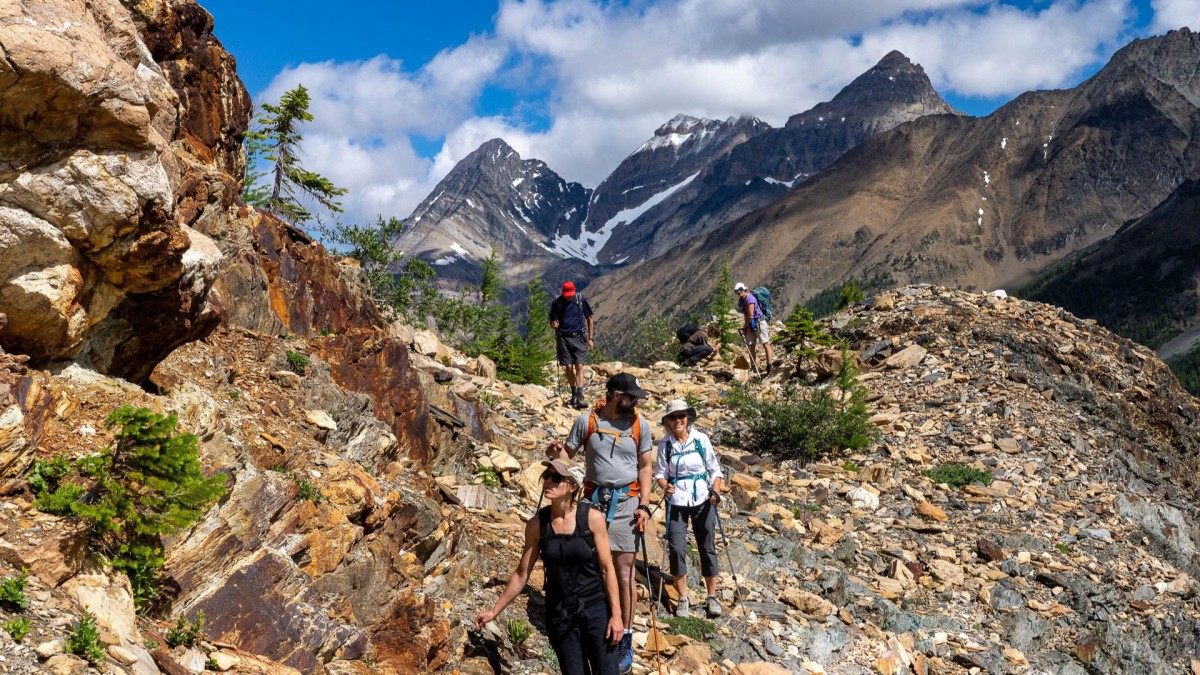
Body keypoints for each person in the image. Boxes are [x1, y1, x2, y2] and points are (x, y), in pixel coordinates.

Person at [547, 373, 653, 674]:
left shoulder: (638, 425)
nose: (635, 402)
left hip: (626, 503)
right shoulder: (588, 421)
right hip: (593, 501)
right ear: (615, 394)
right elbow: (567, 456)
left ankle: (625, 636)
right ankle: (594, 620)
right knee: (592, 567)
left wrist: (644, 504)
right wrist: (555, 455)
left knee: (624, 570)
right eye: (630, 396)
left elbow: (645, 466)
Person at [475, 458, 622, 674]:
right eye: (547, 476)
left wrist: (616, 616)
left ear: (573, 486)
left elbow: (607, 569)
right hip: (560, 612)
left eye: (556, 478)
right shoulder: (537, 524)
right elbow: (522, 573)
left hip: (595, 607)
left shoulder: (592, 519)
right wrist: (493, 611)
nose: (548, 482)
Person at [654, 399, 725, 619]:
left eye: (681, 416)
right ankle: (683, 597)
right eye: (673, 417)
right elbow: (660, 474)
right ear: (667, 421)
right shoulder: (665, 445)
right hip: (676, 501)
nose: (678, 421)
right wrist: (665, 487)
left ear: (688, 418)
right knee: (676, 548)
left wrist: (715, 492)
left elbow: (715, 470)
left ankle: (712, 596)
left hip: (703, 499)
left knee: (707, 546)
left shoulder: (701, 440)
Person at [550, 281, 595, 409]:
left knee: (579, 365)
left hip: (579, 337)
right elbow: (552, 321)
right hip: (563, 338)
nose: (569, 297)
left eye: (571, 294)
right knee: (569, 367)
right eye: (567, 295)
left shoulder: (581, 300)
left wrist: (590, 338)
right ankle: (574, 392)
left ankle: (580, 396)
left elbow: (589, 318)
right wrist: (553, 325)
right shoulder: (557, 303)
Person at [735, 282, 773, 375]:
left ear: (744, 290)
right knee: (751, 346)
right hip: (751, 325)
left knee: (765, 344)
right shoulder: (742, 300)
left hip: (759, 322)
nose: (739, 292)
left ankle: (769, 366)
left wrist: (745, 327)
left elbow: (751, 315)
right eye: (737, 291)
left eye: (740, 290)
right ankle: (754, 367)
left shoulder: (750, 298)